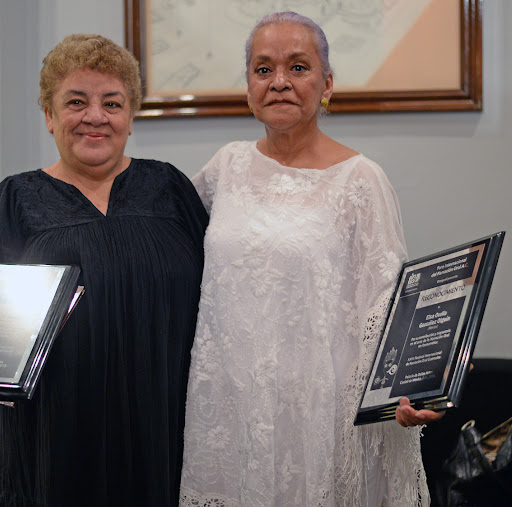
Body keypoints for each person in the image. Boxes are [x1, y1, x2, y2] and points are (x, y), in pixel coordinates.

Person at [0, 33, 208, 506]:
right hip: (55, 434)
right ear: (50, 116)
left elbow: (218, 297)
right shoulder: (16, 201)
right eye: (76, 102)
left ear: (130, 117)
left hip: (165, 425)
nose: (95, 116)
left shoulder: (169, 188)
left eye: (112, 103)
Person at [179, 12, 442, 507]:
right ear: (248, 87)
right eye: (263, 69)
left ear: (327, 84)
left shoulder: (361, 180)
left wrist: (414, 386)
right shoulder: (226, 167)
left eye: (298, 67)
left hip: (318, 413)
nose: (279, 82)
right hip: (231, 407)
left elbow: (388, 303)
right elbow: (170, 254)